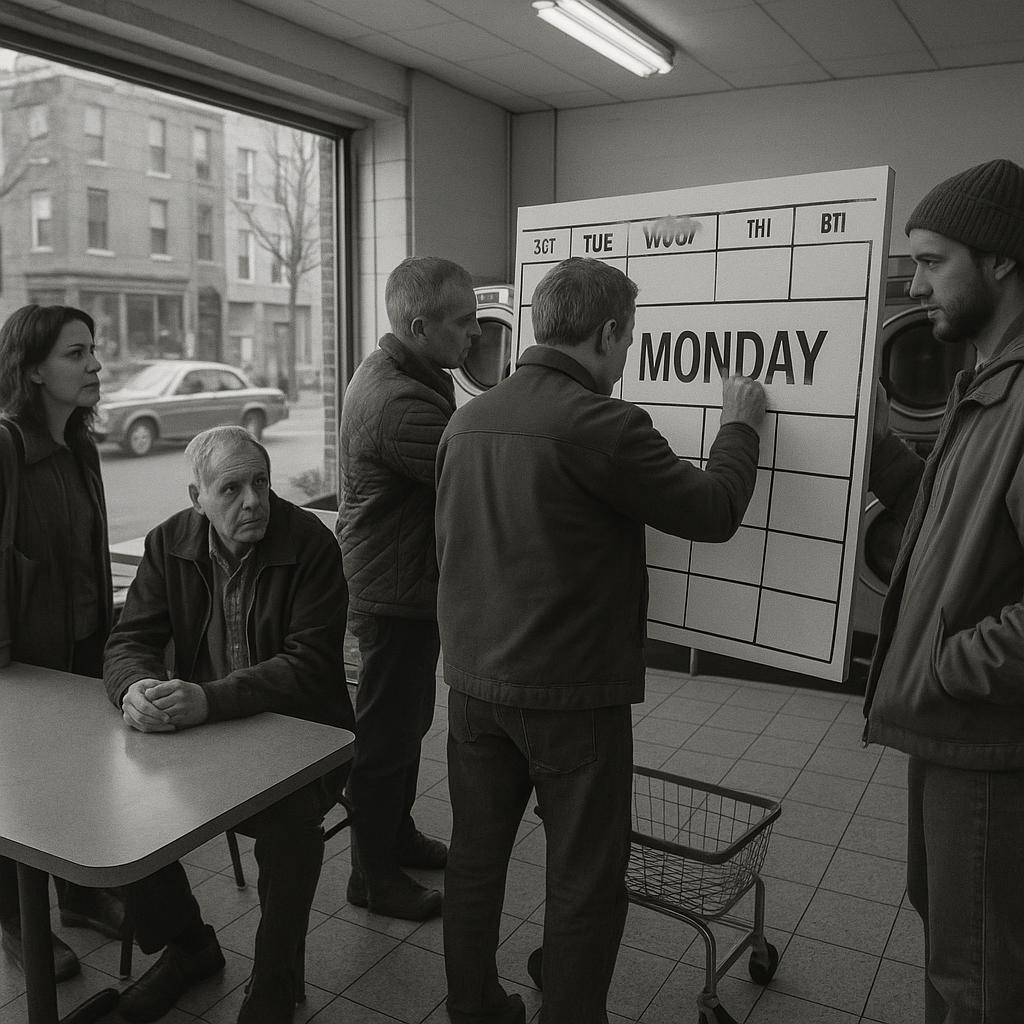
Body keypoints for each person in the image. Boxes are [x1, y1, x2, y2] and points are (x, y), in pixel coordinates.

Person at [435, 257, 766, 1024]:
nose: (627, 357)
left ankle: (473, 1008)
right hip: (570, 698)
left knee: (475, 861)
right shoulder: (602, 425)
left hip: (474, 688)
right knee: (583, 879)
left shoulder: (466, 421)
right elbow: (714, 509)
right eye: (630, 339)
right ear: (609, 332)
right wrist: (740, 426)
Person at [103, 425, 354, 1023]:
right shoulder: (169, 543)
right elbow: (130, 640)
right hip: (206, 739)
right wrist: (135, 688)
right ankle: (189, 945)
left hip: (300, 738)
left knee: (292, 828)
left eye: (261, 483)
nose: (253, 501)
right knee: (119, 808)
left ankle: (273, 978)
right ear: (198, 499)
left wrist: (209, 700)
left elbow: (310, 665)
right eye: (232, 489)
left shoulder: (310, 544)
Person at [864, 157, 1024, 1024]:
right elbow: (953, 521)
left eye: (932, 262)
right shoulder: (987, 379)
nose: (917, 284)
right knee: (952, 945)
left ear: (1000, 259)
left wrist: (952, 664)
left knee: (979, 977)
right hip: (953, 729)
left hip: (989, 741)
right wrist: (864, 440)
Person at [337, 256, 481, 921]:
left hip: (399, 582)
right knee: (386, 738)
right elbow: (472, 485)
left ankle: (394, 837)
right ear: (420, 327)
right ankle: (372, 877)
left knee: (404, 724)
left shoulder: (407, 374)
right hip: (391, 593)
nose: (476, 333)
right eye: (464, 321)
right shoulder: (400, 402)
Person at [0, 304, 125, 982]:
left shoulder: (81, 445)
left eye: (92, 349)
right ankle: (17, 921)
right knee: (19, 797)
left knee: (78, 782)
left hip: (81, 651)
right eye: (76, 354)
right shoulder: (5, 448)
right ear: (33, 371)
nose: (95, 364)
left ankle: (79, 897)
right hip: (20, 665)